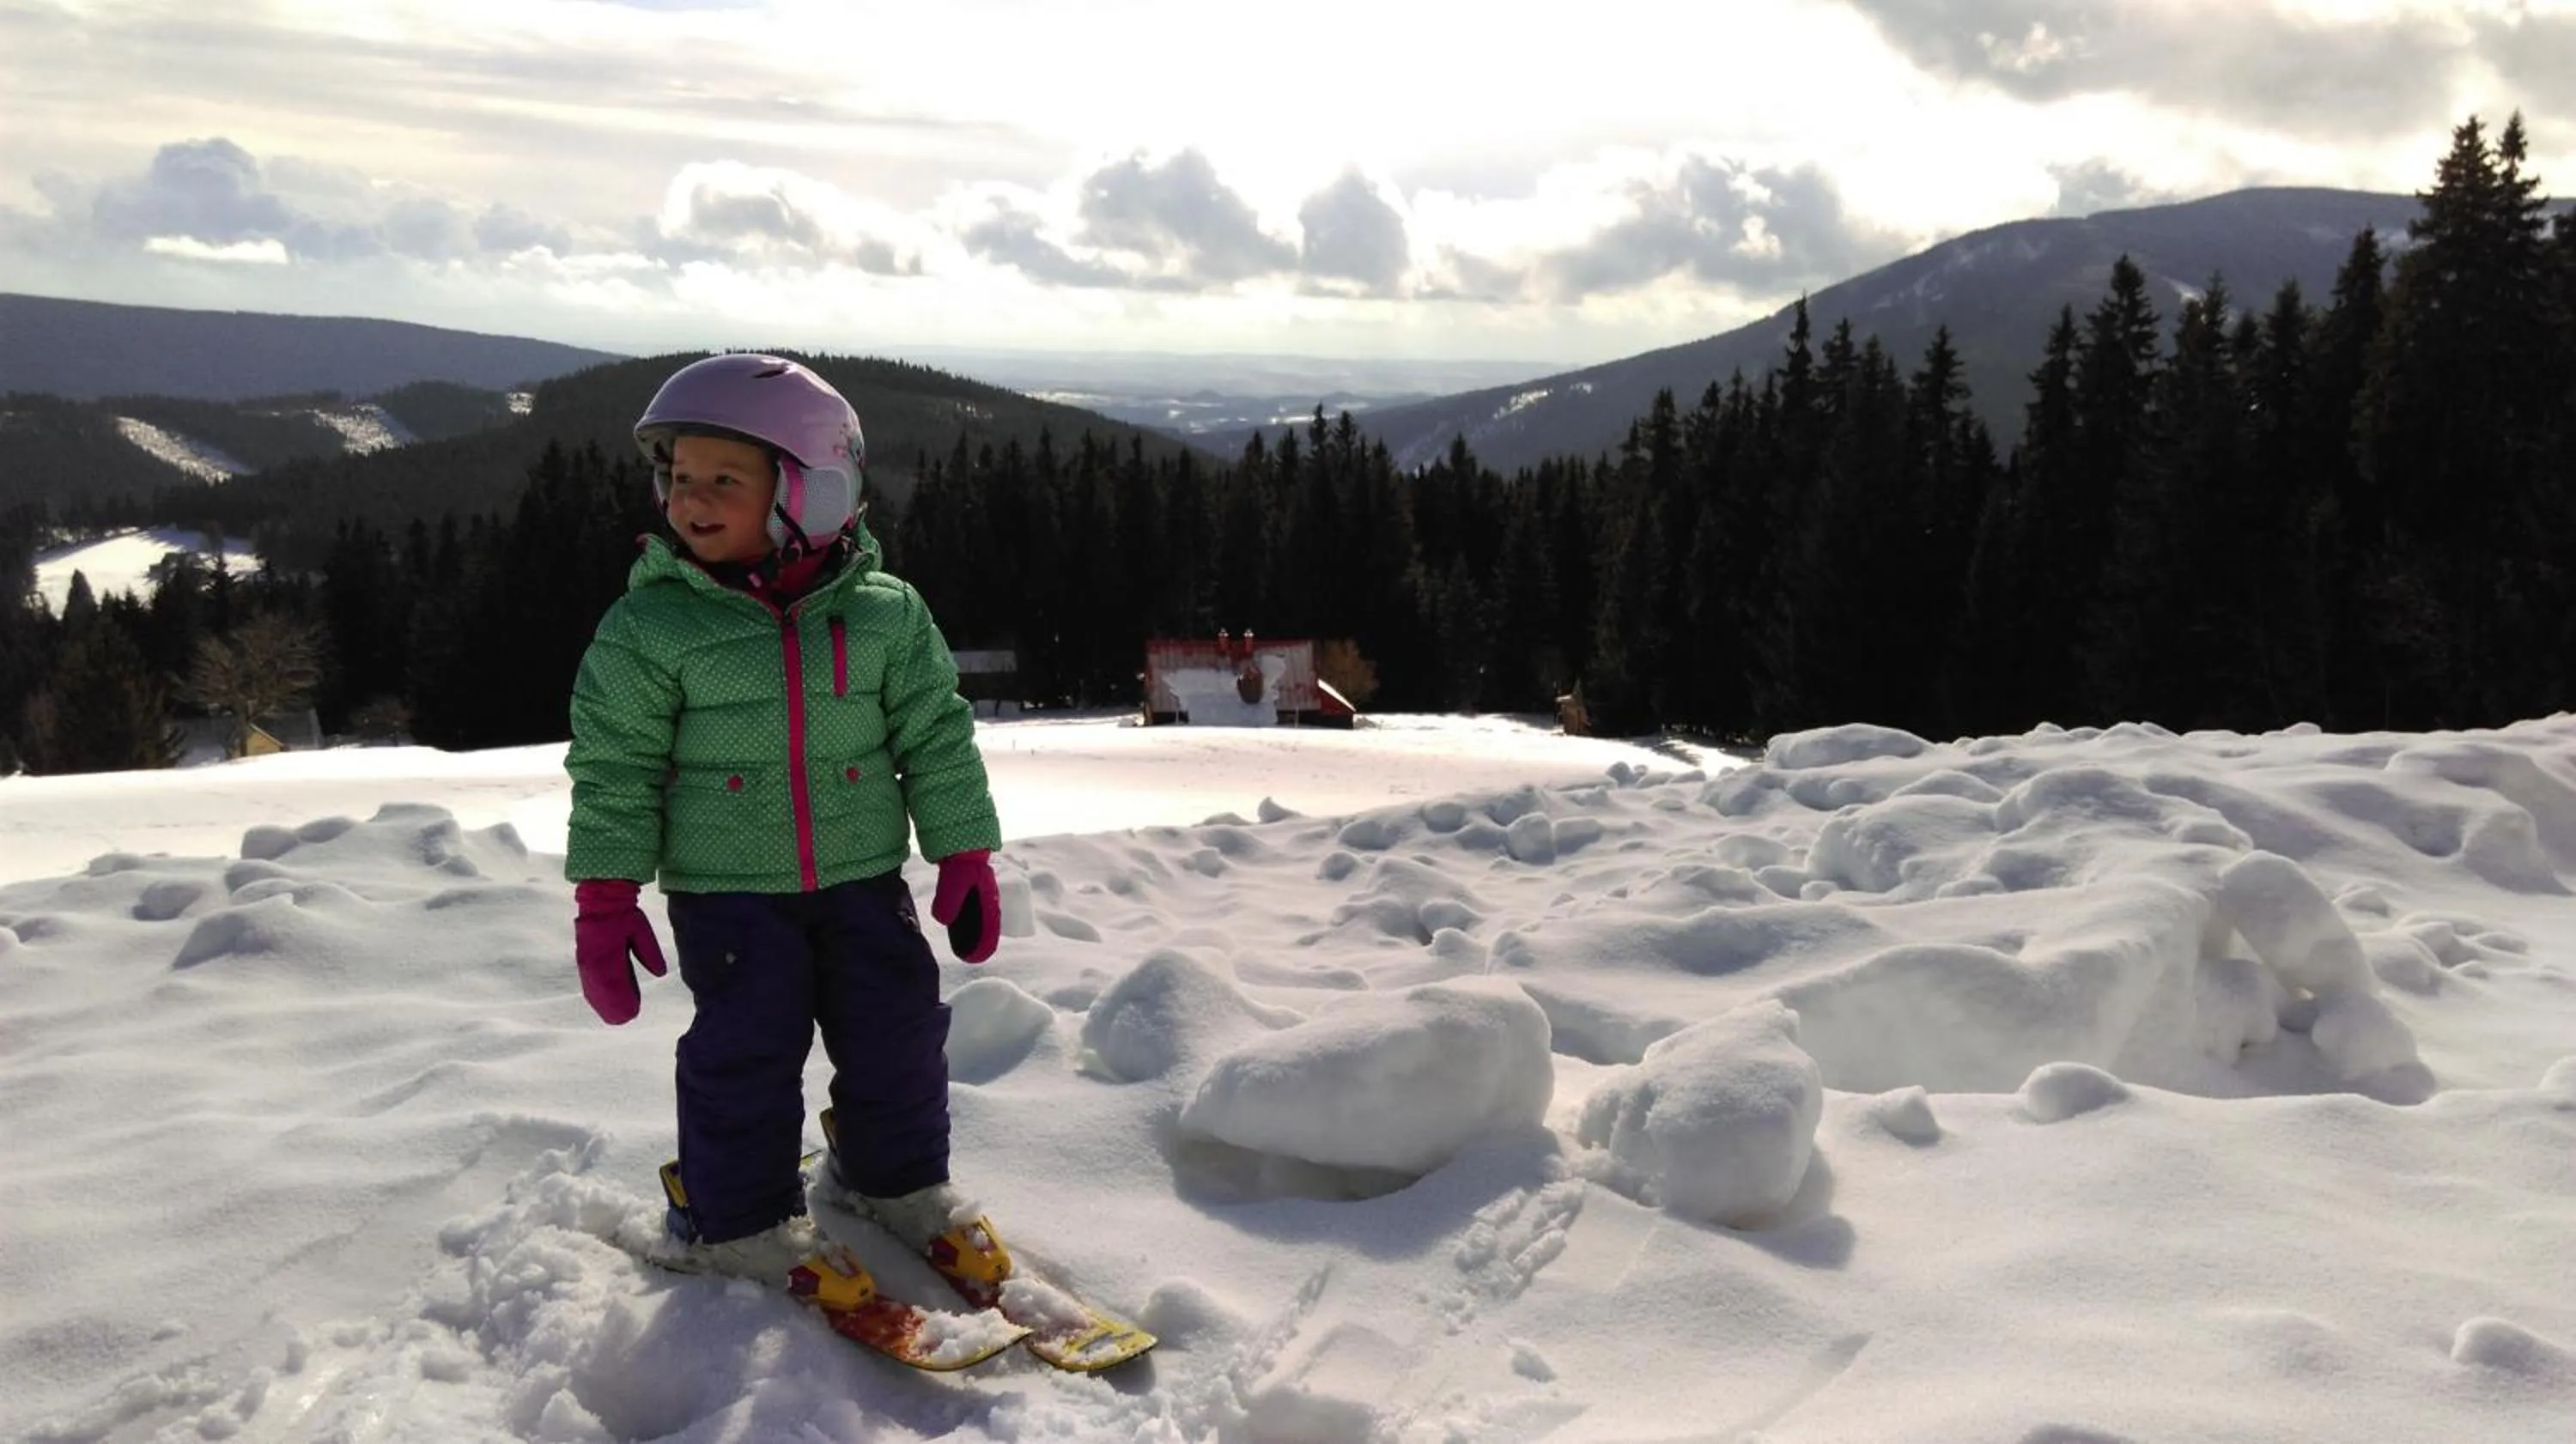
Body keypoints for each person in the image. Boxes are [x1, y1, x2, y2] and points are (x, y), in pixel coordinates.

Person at [562, 352, 1005, 1283]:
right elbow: (615, 769)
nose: (692, 498)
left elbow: (936, 733)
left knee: (899, 1034)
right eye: (680, 476)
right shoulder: (649, 630)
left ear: (812, 489)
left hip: (862, 879)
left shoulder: (885, 614)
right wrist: (606, 899)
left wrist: (964, 849)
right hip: (729, 897)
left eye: (726, 477)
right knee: (746, 1054)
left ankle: (892, 1179)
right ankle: (738, 1219)